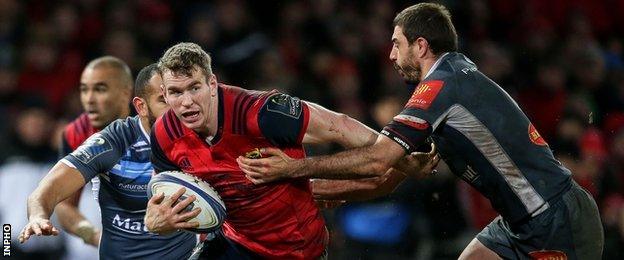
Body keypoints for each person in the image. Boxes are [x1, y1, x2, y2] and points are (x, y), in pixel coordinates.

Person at [237, 3, 604, 260]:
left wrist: (291, 169)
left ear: (421, 45)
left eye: (396, 44)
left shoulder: (442, 87)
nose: (392, 56)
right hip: (519, 223)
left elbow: (378, 159)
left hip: (556, 219)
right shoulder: (452, 83)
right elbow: (388, 178)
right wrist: (309, 192)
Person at [146, 42, 434, 259]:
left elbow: (340, 126)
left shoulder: (262, 113)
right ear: (165, 94)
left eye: (193, 88)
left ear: (212, 84)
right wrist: (156, 220)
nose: (185, 102)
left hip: (297, 249)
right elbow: (166, 195)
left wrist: (405, 161)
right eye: (175, 92)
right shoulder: (164, 135)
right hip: (236, 244)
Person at [18, 64, 198, 259]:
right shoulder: (112, 142)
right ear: (141, 106)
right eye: (164, 100)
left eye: (178, 95)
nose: (177, 106)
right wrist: (38, 216)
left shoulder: (202, 137)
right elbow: (47, 191)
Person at [55, 56, 134, 248]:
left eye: (100, 89)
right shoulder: (76, 134)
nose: (89, 99)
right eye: (84, 89)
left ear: (125, 94)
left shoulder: (155, 128)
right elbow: (64, 205)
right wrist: (94, 235)